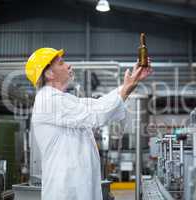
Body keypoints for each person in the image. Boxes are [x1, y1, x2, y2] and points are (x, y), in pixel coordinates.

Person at [25, 47, 152, 200]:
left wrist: (132, 80)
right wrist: (126, 88)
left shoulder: (64, 99)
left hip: (77, 189)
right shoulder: (48, 101)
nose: (68, 66)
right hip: (65, 192)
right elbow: (96, 115)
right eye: (61, 63)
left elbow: (97, 105)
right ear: (49, 73)